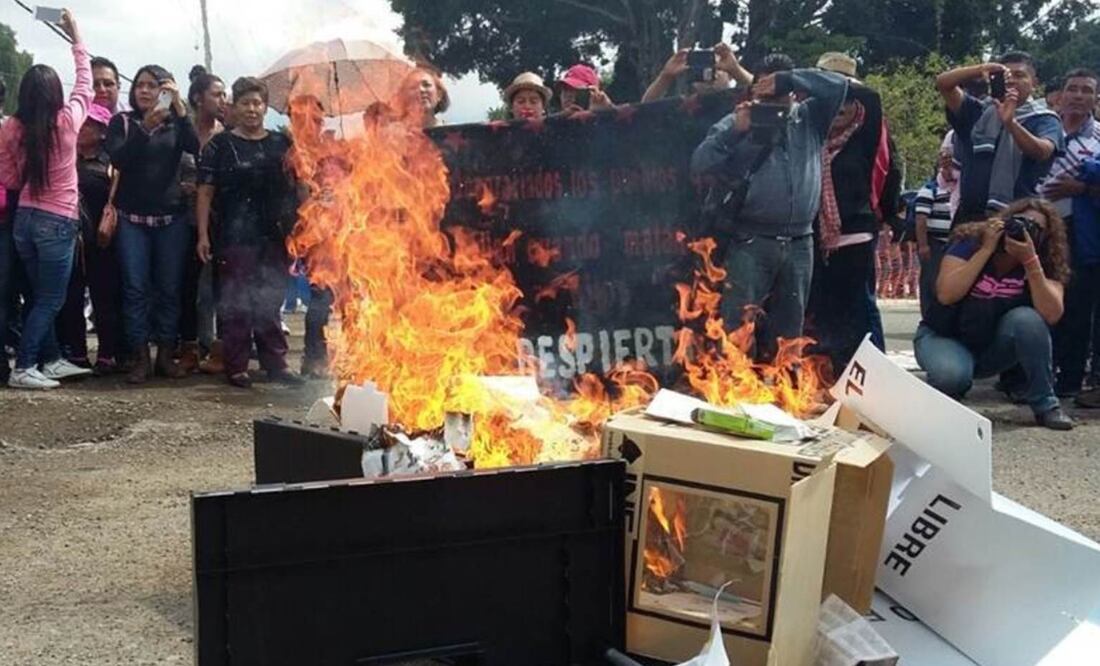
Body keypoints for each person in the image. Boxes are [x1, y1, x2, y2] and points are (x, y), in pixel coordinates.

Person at [690, 53, 851, 359]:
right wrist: (736, 131)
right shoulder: (736, 122)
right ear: (752, 93)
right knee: (738, 328)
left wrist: (789, 78)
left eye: (778, 94)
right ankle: (734, 391)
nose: (772, 103)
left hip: (800, 242)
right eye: (764, 95)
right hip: (750, 240)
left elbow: (839, 86)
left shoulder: (810, 118)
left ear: (792, 93)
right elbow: (699, 165)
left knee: (790, 330)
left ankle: (785, 391)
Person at [914, 198, 1074, 430]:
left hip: (991, 347)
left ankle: (1046, 405)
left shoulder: (1044, 259)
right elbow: (947, 294)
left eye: (1035, 228)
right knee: (951, 376)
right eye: (1019, 222)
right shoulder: (971, 242)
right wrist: (986, 250)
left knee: (1028, 320)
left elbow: (1051, 314)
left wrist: (1030, 261)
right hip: (944, 336)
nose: (1024, 229)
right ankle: (952, 386)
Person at [0, 10, 94, 389]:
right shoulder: (67, 122)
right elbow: (85, 83)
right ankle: (25, 367)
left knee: (40, 294)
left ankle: (51, 359)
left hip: (23, 219)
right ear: (56, 95)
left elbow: (8, 178)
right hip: (57, 222)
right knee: (51, 299)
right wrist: (76, 34)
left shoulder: (11, 128)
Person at [196, 77, 303, 388]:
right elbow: (204, 192)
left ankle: (276, 364)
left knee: (270, 301)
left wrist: (308, 223)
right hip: (233, 236)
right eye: (245, 103)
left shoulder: (282, 144)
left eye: (257, 103)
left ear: (265, 107)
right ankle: (236, 365)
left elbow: (301, 185)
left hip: (275, 234)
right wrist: (203, 235)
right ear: (234, 107)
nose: (252, 109)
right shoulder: (220, 145)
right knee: (236, 302)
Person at [105, 65, 200, 383]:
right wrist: (144, 128)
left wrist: (180, 108)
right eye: (140, 85)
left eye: (153, 86)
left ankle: (165, 356)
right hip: (132, 220)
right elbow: (118, 160)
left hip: (170, 220)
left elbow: (194, 146)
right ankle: (140, 358)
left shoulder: (176, 124)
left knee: (169, 290)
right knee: (135, 289)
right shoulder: (122, 122)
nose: (145, 91)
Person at [805, 57, 901, 372]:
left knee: (859, 312)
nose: (840, 107)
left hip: (856, 234)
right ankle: (828, 375)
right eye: (834, 101)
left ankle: (873, 376)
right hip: (816, 239)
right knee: (822, 313)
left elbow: (872, 99)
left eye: (846, 100)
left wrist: (889, 214)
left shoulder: (866, 132)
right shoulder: (811, 132)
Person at [935, 53, 1065, 223]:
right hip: (969, 217)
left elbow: (1042, 151)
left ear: (1034, 83)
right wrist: (982, 69)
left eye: (1019, 75)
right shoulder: (978, 112)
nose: (1011, 81)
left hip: (1018, 217)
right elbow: (943, 83)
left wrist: (1011, 123)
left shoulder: (1044, 119)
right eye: (1005, 76)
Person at [1040, 69, 1100, 398]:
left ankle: (1070, 379)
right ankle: (1026, 376)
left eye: (1086, 90)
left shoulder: (1099, 137)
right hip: (1039, 231)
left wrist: (1080, 187)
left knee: (1075, 308)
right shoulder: (1043, 130)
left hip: (1081, 233)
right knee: (1033, 302)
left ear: (1095, 99)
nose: (1078, 95)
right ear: (1060, 95)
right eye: (1072, 89)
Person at [55, 103, 125, 374]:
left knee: (104, 295)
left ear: (102, 131)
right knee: (71, 296)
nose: (82, 129)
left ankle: (108, 353)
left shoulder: (111, 164)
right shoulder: (64, 157)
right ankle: (77, 353)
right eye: (80, 124)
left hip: (102, 237)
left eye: (89, 125)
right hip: (70, 238)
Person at [177, 65, 227, 373]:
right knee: (186, 287)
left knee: (220, 288)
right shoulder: (180, 130)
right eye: (216, 94)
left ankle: (219, 351)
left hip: (218, 221)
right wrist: (178, 186)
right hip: (183, 220)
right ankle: (189, 349)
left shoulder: (226, 136)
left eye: (224, 94)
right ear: (198, 98)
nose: (223, 100)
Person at [915, 147, 959, 317]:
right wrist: (923, 245)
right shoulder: (929, 189)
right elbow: (921, 219)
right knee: (930, 282)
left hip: (952, 244)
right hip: (934, 244)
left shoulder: (958, 189)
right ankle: (928, 315)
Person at [640, 44, 746, 103]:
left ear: (730, 75)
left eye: (716, 68)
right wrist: (665, 77)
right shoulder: (684, 106)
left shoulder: (740, 104)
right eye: (700, 67)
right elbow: (645, 109)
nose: (708, 73)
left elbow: (761, 91)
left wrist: (737, 70)